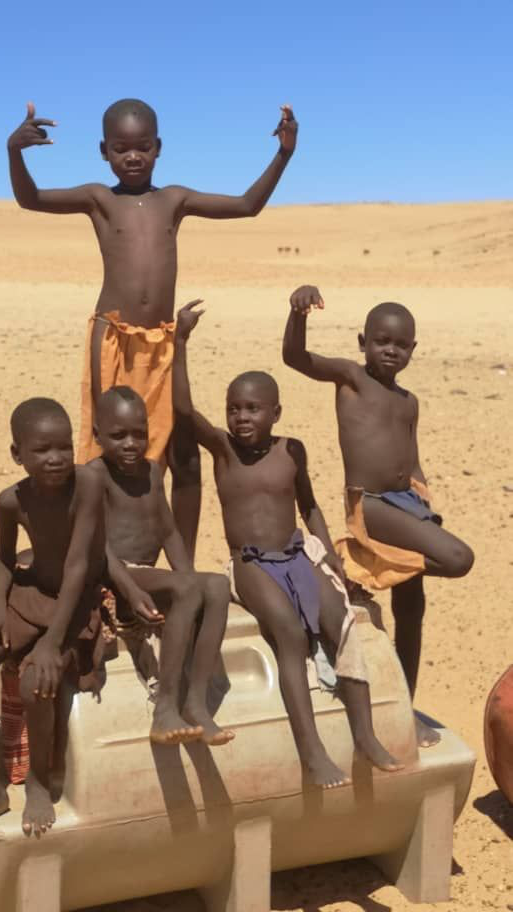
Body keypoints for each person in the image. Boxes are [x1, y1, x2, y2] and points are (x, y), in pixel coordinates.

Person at [7, 97, 298, 559]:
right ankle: (97, 559)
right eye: (122, 148)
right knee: (105, 453)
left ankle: (181, 564)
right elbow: (31, 199)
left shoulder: (174, 200)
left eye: (142, 146)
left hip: (164, 342)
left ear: (158, 147)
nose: (133, 156)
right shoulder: (98, 199)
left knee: (182, 454)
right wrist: (15, 153)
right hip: (113, 340)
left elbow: (247, 205)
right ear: (104, 151)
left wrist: (283, 153)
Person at [173, 301, 401, 787]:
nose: (240, 417)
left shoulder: (291, 450)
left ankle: (364, 734)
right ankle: (311, 752)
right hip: (251, 563)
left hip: (297, 554)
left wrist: (332, 559)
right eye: (234, 408)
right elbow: (182, 411)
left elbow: (311, 507)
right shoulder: (222, 450)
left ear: (275, 412)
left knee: (340, 624)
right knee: (290, 636)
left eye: (252, 408)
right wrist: (180, 342)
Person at [282, 285, 474, 747]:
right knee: (458, 558)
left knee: (413, 610)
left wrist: (424, 501)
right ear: (361, 341)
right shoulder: (351, 378)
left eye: (401, 344)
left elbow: (412, 458)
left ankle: (404, 710)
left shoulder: (409, 402)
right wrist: (298, 313)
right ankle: (365, 560)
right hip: (370, 504)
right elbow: (294, 357)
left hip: (406, 504)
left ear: (413, 349)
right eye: (381, 341)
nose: (391, 350)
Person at [0, 398, 107, 853]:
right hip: (31, 594)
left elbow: (80, 565)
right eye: (42, 450)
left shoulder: (88, 486)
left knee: (35, 682)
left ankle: (39, 782)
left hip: (77, 605)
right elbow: (5, 558)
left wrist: (53, 644)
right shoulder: (11, 502)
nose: (56, 458)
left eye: (64, 447)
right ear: (16, 454)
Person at [90, 386, 234, 746]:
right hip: (112, 574)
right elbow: (97, 544)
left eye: (139, 434)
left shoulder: (152, 473)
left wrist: (187, 577)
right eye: (118, 435)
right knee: (187, 588)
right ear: (97, 435)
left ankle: (197, 703)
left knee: (216, 585)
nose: (130, 444)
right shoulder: (93, 476)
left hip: (146, 574)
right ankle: (165, 707)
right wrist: (131, 589)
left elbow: (168, 532)